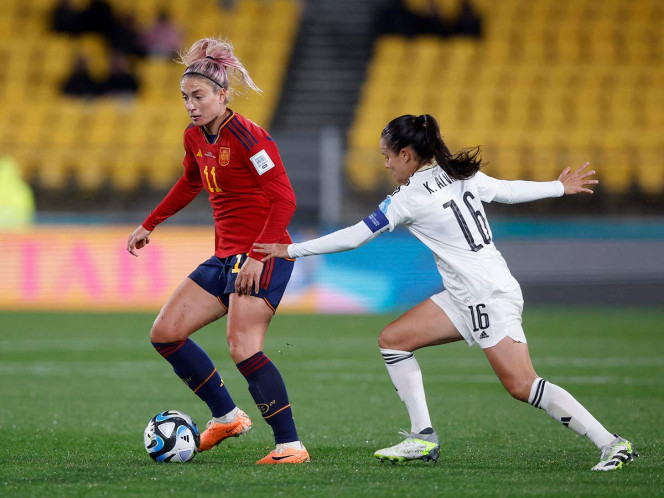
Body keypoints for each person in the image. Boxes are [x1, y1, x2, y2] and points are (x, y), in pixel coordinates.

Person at [254, 114, 637, 471]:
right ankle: (423, 438)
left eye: (388, 156)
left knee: (521, 385)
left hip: (485, 294)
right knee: (394, 340)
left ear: (407, 154)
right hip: (467, 292)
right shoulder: (459, 173)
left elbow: (355, 237)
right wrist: (558, 187)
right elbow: (506, 191)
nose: (386, 164)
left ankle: (612, 443)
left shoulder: (408, 198)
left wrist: (291, 250)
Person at [126, 36, 309, 465]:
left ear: (222, 95)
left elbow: (285, 201)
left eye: (199, 96)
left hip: (262, 253)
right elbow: (191, 182)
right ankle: (226, 416)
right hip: (225, 256)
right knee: (166, 333)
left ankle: (290, 445)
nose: (191, 105)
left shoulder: (249, 137)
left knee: (243, 345)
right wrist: (149, 223)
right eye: (185, 97)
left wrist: (259, 256)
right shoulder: (194, 137)